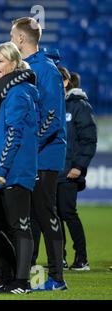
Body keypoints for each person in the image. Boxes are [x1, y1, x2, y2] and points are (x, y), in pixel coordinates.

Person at [10, 17, 68, 290]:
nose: (11, 40)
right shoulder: (29, 68)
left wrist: (31, 145)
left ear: (21, 38)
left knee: (45, 213)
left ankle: (57, 277)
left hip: (45, 155)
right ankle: (33, 278)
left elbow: (53, 117)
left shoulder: (46, 70)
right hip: (30, 154)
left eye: (12, 36)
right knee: (31, 217)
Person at [0, 42, 39, 294]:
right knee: (13, 226)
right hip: (18, 167)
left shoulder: (17, 93)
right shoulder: (20, 91)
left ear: (13, 63)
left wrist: (2, 168)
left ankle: (23, 281)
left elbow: (14, 133)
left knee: (20, 226)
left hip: (14, 170)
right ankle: (15, 278)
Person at [56, 68, 97, 271]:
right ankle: (59, 257)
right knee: (52, 215)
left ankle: (82, 258)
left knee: (67, 213)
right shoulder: (49, 105)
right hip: (51, 170)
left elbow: (88, 140)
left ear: (65, 82)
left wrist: (79, 166)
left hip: (69, 170)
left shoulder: (79, 106)